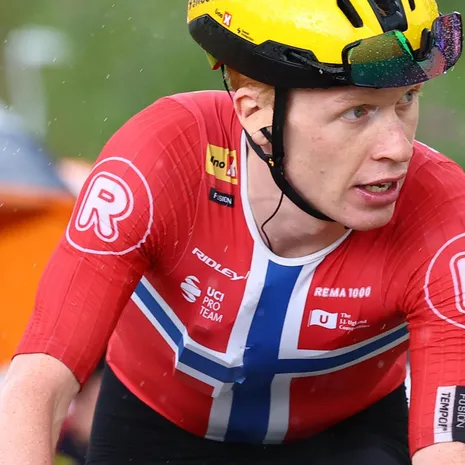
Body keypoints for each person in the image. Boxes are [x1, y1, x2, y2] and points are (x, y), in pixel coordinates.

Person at [0, 0, 464, 464]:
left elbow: (448, 445)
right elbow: (38, 382)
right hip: (154, 430)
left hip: (345, 439)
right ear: (255, 111)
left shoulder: (442, 209)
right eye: (357, 111)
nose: (398, 148)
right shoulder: (164, 155)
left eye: (407, 99)